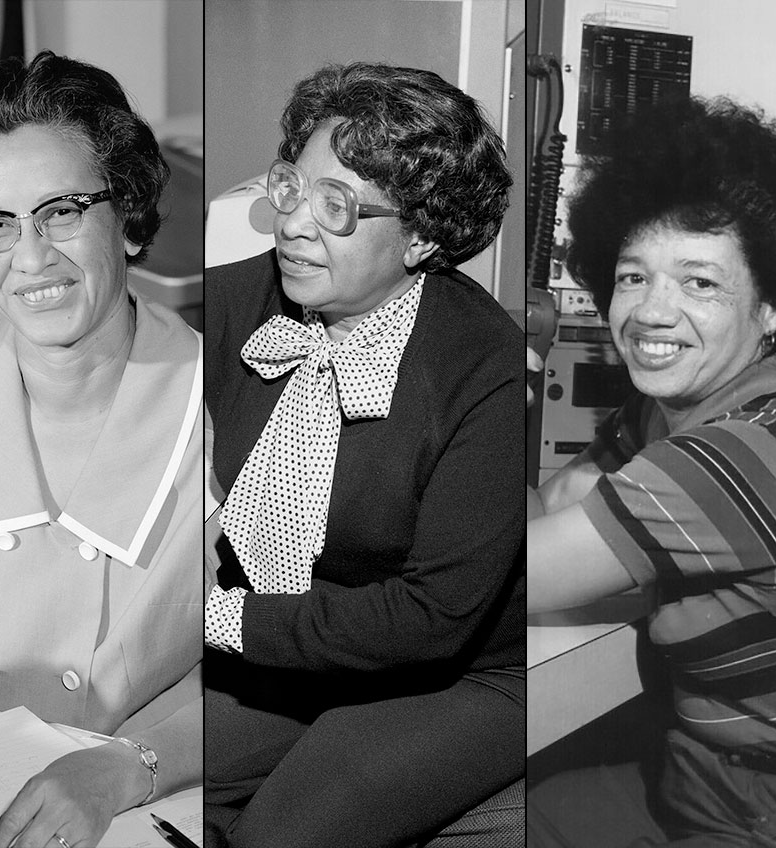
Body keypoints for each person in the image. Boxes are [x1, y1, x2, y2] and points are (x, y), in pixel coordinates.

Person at [0, 51, 203, 848]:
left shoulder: (230, 400)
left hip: (162, 787)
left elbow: (282, 677)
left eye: (62, 210)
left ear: (127, 216)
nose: (30, 257)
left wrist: (126, 765)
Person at [203, 62, 526, 847]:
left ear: (421, 237)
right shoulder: (236, 301)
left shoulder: (484, 367)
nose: (292, 225)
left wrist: (212, 615)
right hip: (289, 641)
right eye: (291, 186)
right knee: (148, 785)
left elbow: (430, 620)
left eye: (337, 205)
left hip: (454, 673)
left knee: (279, 838)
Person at [527, 97, 776, 846]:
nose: (651, 313)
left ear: (773, 309)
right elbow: (552, 499)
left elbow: (494, 578)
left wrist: (505, 375)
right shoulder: (688, 412)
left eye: (699, 283)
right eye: (634, 278)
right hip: (699, 770)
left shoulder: (729, 458)